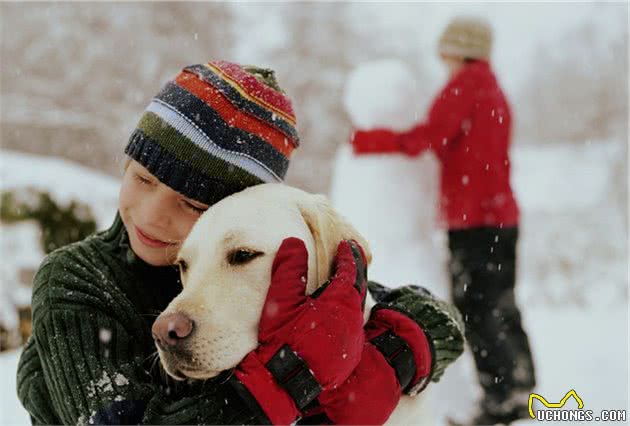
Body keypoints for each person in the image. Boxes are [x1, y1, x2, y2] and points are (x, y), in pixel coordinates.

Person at [16, 60, 465, 425]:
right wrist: (292, 374)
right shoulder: (77, 277)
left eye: (191, 204)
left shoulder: (272, 273)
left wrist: (386, 357)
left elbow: (438, 319)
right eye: (142, 178)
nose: (153, 214)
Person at [350, 17, 537, 425]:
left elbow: (430, 136)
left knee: (477, 307)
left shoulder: (465, 85)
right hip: (501, 217)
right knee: (501, 304)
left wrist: (374, 141)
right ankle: (520, 390)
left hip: (475, 221)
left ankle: (500, 402)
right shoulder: (492, 88)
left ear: (457, 48)